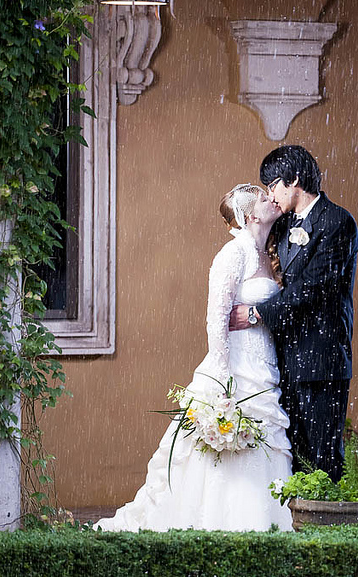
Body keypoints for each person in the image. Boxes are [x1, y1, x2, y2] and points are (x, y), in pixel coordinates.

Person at [97, 185, 293, 532]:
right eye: (263, 198)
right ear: (251, 215)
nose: (271, 199)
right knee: (224, 450)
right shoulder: (233, 254)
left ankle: (265, 522)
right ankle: (224, 522)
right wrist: (222, 379)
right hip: (236, 367)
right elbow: (215, 318)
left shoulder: (269, 254)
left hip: (265, 363)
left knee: (264, 442)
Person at [230, 145, 358, 482]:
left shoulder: (337, 222)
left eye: (273, 185)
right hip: (281, 360)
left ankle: (325, 514)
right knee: (289, 459)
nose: (271, 195)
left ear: (295, 179)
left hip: (321, 359)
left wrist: (255, 314)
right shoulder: (283, 223)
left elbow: (312, 289)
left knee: (322, 459)